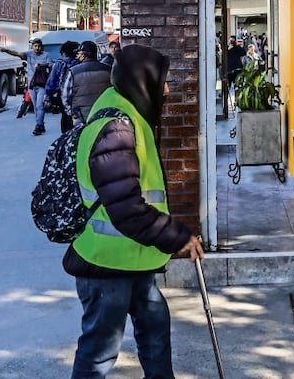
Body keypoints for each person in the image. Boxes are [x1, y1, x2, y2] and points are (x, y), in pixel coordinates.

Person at [64, 44, 204, 378]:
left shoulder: (129, 116)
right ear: (142, 80)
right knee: (99, 352)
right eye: (163, 81)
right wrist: (177, 237)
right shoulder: (116, 128)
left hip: (136, 256)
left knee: (156, 334)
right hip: (106, 262)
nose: (167, 89)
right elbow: (126, 208)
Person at [1, 38, 54, 136]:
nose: (37, 48)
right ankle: (40, 124)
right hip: (32, 86)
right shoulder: (29, 55)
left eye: (39, 46)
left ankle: (38, 125)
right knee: (35, 106)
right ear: (33, 46)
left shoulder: (46, 55)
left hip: (42, 85)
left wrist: (41, 66)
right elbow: (17, 53)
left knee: (39, 105)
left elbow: (50, 66)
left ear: (41, 47)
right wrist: (6, 50)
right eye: (35, 46)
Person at [61, 40, 112, 127]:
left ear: (84, 55)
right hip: (102, 114)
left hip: (80, 117)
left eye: (79, 53)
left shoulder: (73, 71)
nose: (77, 56)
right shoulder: (108, 69)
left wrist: (71, 112)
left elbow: (65, 96)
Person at [47, 41, 81, 133]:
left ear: (64, 52)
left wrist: (48, 94)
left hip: (62, 94)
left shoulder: (59, 64)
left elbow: (51, 81)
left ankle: (65, 137)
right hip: (78, 93)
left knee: (65, 116)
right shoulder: (80, 64)